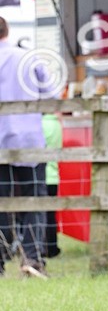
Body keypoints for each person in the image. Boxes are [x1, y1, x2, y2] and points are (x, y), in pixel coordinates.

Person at [0, 16, 50, 278]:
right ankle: (31, 258)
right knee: (33, 198)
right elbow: (51, 92)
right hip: (27, 139)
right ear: (8, 30)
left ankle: (0, 258)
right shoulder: (28, 57)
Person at [42, 110, 63, 258]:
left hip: (42, 175)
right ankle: (52, 246)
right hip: (54, 175)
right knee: (51, 215)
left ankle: (43, 247)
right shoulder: (57, 124)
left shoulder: (40, 124)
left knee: (40, 214)